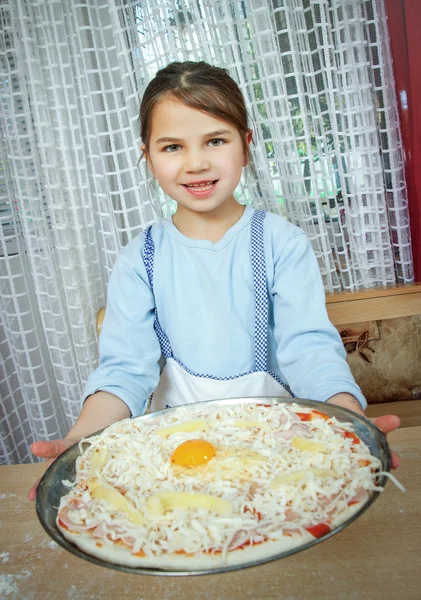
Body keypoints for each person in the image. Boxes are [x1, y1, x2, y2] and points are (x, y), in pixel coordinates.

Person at [28, 61, 400, 500]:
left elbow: (310, 348)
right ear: (147, 156)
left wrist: (349, 418)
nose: (196, 162)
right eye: (172, 147)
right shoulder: (138, 260)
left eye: (215, 140)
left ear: (245, 146)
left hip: (277, 449)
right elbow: (123, 372)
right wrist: (82, 439)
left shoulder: (283, 244)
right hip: (180, 455)